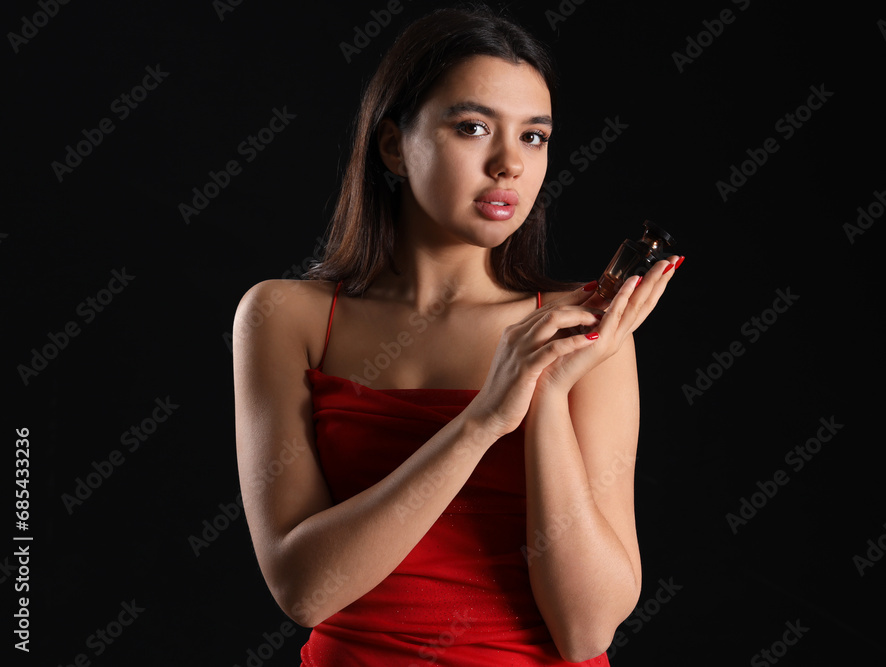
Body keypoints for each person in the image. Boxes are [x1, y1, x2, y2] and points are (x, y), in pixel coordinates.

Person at [232, 4, 684, 665]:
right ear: (393, 145)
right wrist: (482, 420)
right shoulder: (285, 316)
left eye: (534, 136)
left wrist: (548, 396)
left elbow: (586, 630)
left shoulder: (578, 330)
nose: (509, 164)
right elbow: (304, 589)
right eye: (473, 127)